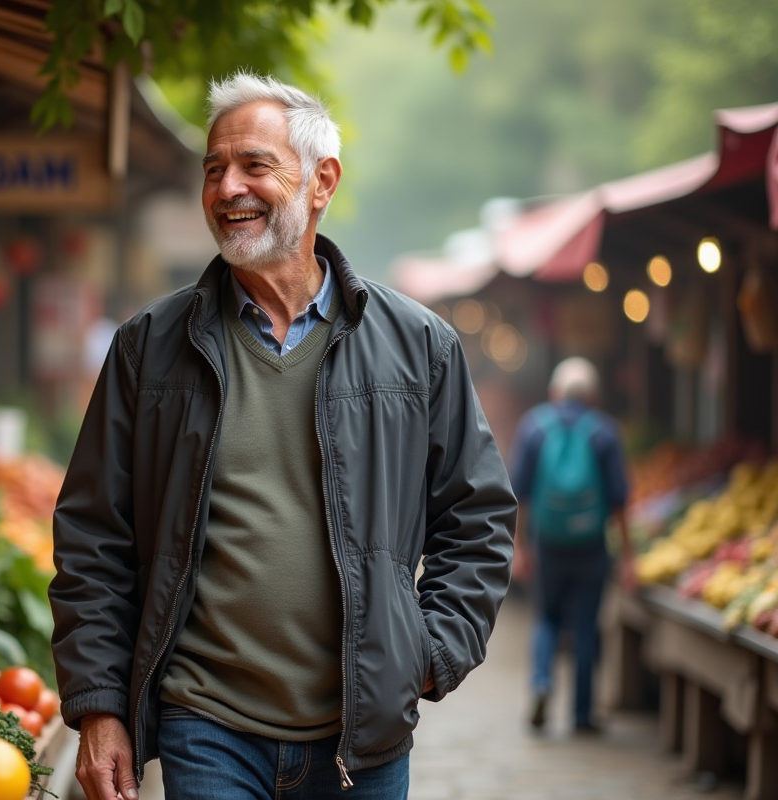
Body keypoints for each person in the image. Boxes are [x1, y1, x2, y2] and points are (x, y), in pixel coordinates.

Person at [49, 72, 517, 800]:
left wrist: (429, 654)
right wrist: (100, 704)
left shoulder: (420, 345)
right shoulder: (149, 346)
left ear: (321, 181)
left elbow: (478, 517)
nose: (227, 187)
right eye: (213, 169)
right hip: (204, 721)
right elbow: (93, 537)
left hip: (361, 737)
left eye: (254, 166)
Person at [509, 356, 634, 735]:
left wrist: (519, 546)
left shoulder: (534, 427)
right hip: (592, 546)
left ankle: (542, 682)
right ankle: (581, 715)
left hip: (548, 543)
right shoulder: (605, 432)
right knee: (584, 627)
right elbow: (619, 502)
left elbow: (520, 494)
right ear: (593, 395)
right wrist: (629, 556)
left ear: (555, 392)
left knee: (546, 618)